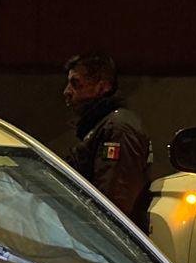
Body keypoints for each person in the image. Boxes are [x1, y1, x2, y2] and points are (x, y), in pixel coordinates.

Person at [62, 53, 152, 229]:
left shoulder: (118, 129)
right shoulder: (101, 127)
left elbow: (114, 203)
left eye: (76, 84)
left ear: (102, 86)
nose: (67, 92)